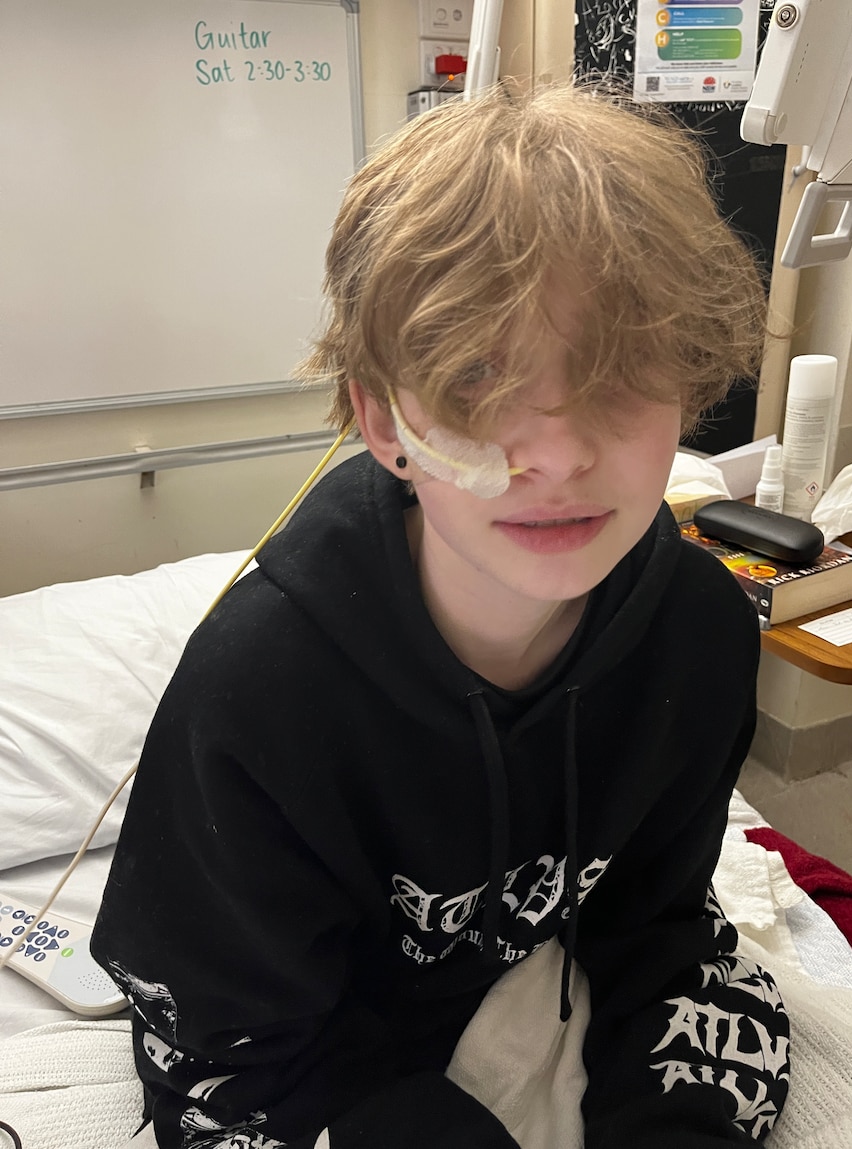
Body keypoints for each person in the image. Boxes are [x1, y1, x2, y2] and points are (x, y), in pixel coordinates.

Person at [93, 84, 790, 1148]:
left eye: (617, 371)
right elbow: (227, 1052)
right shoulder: (259, 694)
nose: (555, 454)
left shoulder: (698, 636)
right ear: (381, 423)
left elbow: (660, 931)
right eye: (474, 378)